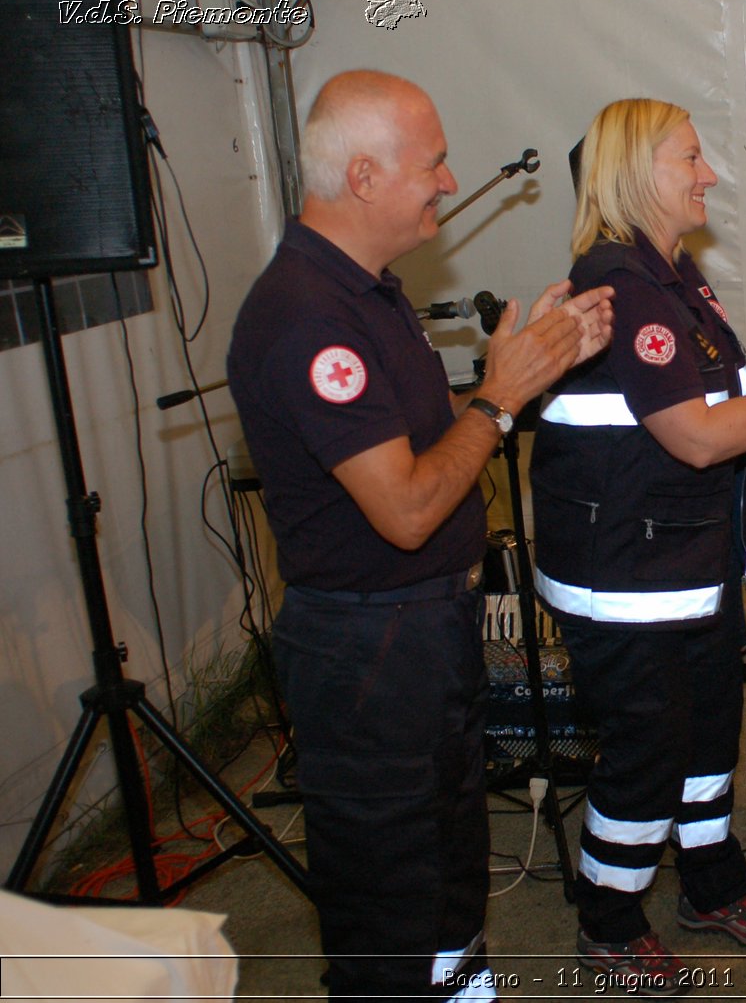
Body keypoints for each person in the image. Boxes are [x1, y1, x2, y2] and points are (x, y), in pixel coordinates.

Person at [227, 70, 614, 1002]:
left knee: (445, 852)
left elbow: (431, 428)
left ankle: (458, 983)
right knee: (385, 886)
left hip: (424, 629)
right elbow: (403, 506)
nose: (449, 181)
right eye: (434, 162)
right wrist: (501, 396)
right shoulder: (308, 317)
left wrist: (530, 368)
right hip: (368, 647)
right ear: (364, 176)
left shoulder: (370, 293)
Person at [528, 98, 746, 994]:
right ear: (639, 172)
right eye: (690, 157)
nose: (709, 173)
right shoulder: (626, 287)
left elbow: (724, 399)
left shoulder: (677, 282)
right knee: (646, 760)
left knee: (710, 743)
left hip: (691, 573)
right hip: (633, 583)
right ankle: (609, 925)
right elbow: (698, 437)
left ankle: (711, 887)